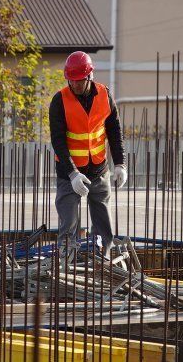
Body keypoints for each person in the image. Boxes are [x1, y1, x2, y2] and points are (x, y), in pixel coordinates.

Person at [49, 51, 127, 261]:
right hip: (69, 173)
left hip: (98, 168)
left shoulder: (105, 95)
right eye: (71, 81)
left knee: (102, 220)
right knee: (69, 223)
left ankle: (102, 258)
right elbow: (58, 141)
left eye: (79, 81)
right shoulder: (59, 101)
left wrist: (120, 163)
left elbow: (114, 131)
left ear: (89, 77)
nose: (74, 85)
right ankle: (67, 263)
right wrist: (73, 174)